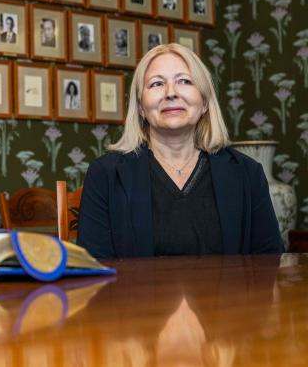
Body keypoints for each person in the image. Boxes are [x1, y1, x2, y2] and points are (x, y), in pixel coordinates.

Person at [76, 43, 283, 258]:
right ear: (140, 107)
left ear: (204, 102)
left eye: (184, 81)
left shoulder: (247, 173)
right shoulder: (105, 175)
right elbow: (95, 268)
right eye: (157, 84)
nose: (171, 93)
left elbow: (268, 263)